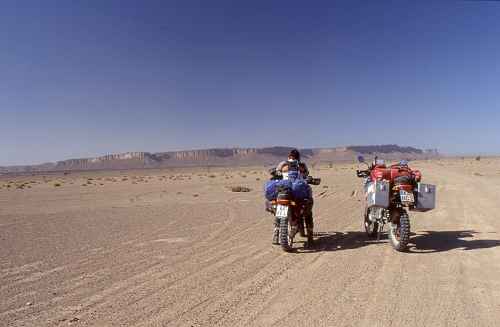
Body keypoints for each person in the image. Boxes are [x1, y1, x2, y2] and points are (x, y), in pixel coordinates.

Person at [272, 149, 315, 246]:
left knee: (278, 211)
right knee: (308, 211)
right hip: (296, 192)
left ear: (289, 156)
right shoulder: (301, 165)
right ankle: (310, 236)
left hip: (282, 190)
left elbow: (276, 173)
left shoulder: (282, 164)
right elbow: (306, 175)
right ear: (298, 157)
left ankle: (276, 234)